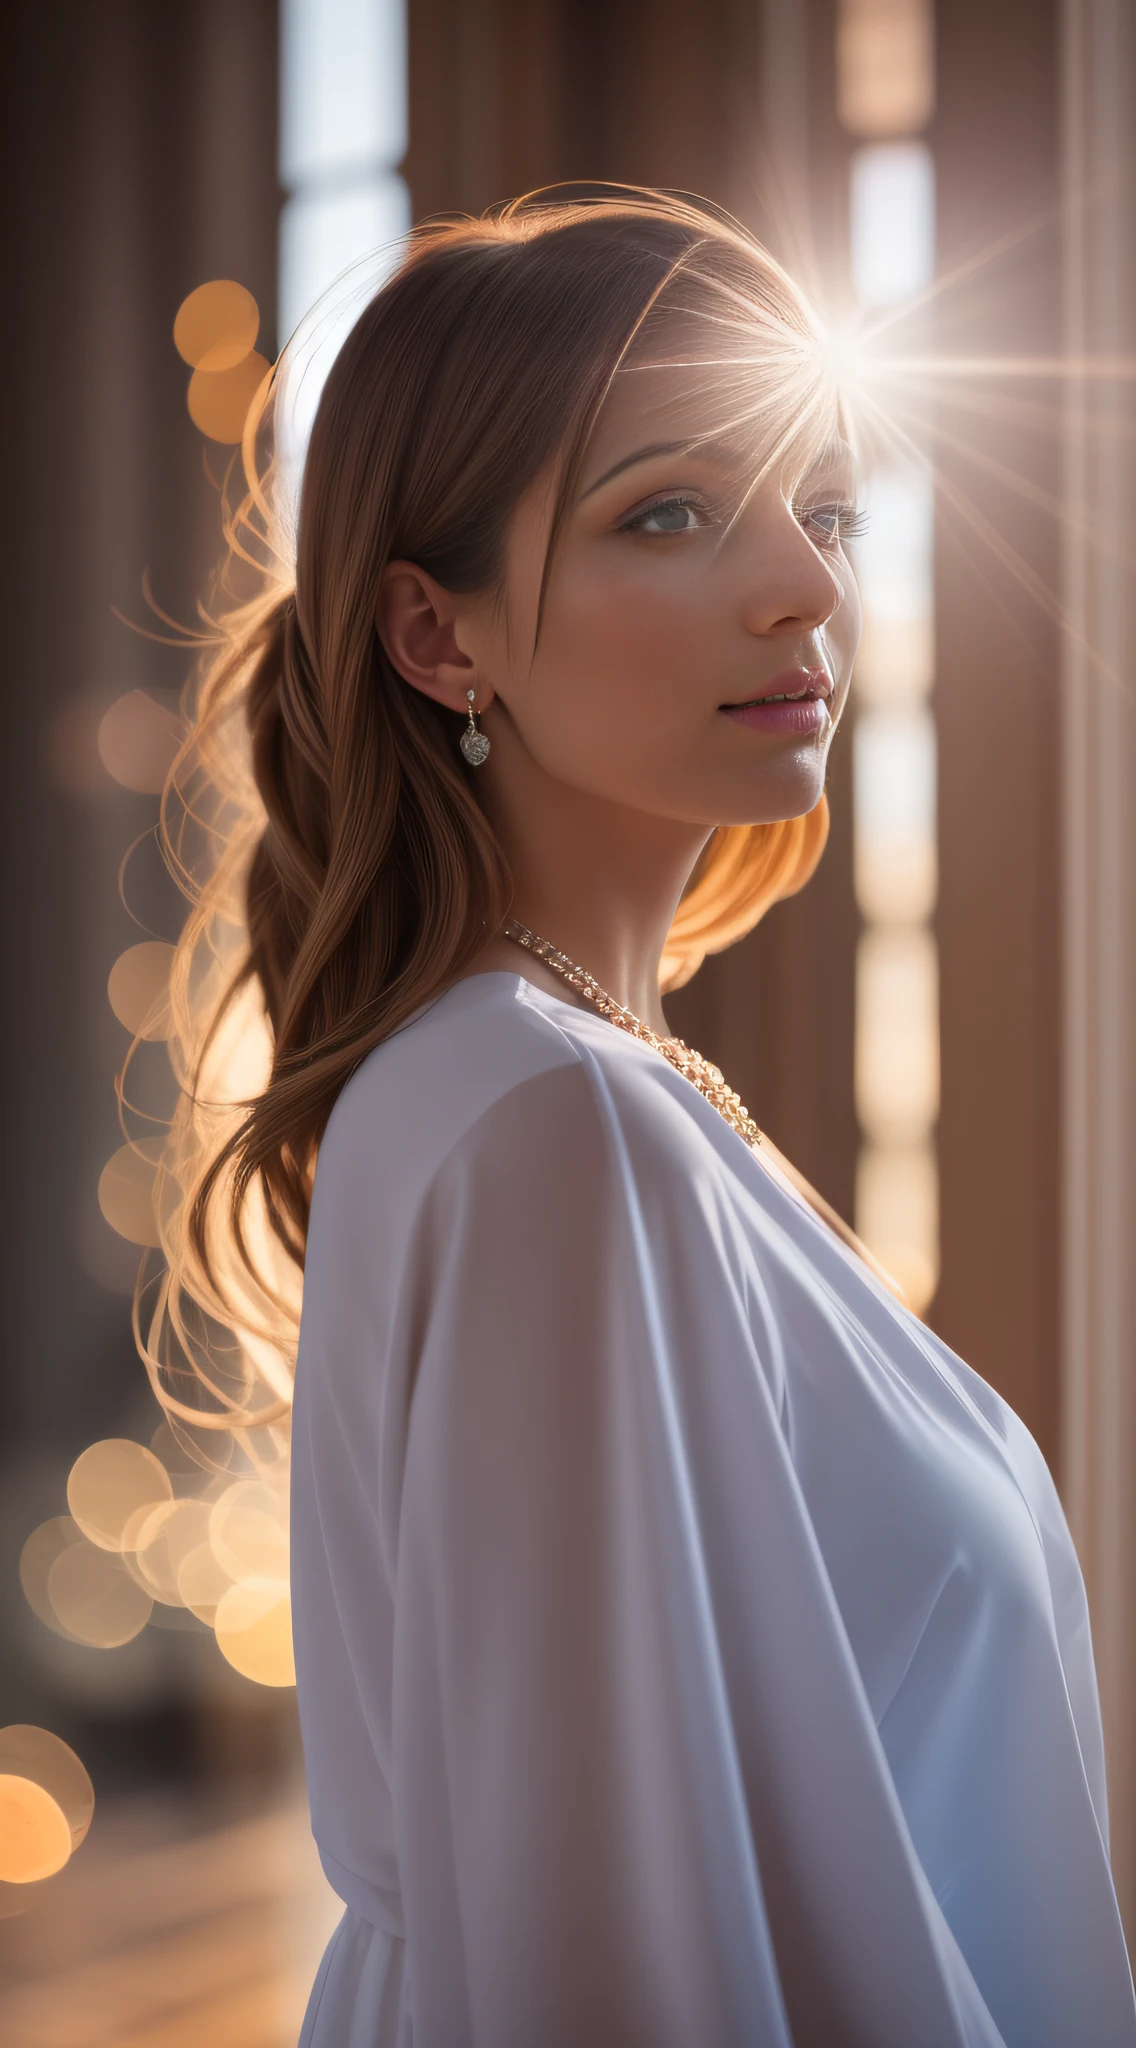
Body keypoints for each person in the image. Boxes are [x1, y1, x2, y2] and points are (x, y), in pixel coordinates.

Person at [167, 188, 1135, 2045]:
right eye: (670, 512)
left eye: (828, 510)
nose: (809, 586)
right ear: (439, 641)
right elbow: (605, 1955)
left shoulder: (585, 1086)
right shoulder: (549, 1121)